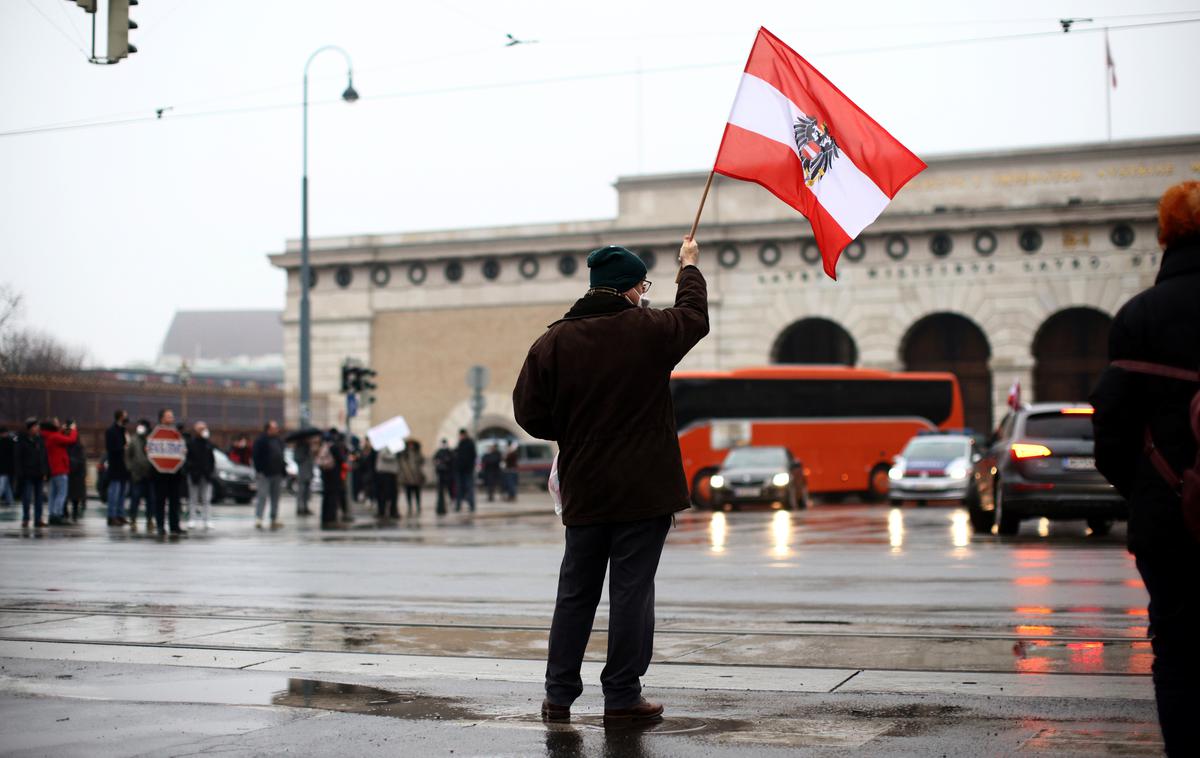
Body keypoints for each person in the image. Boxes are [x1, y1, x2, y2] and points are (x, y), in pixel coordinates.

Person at [514, 238, 707, 725]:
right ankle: (621, 696)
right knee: (630, 592)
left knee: (575, 592)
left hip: (586, 488)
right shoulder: (648, 330)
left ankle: (558, 695)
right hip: (644, 490)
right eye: (643, 286)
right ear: (628, 291)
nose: (645, 294)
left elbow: (528, 412)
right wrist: (688, 267)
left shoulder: (553, 341)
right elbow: (694, 316)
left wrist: (575, 433)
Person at [1091, 181, 1200, 757]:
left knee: (1180, 654)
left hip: (1173, 521)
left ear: (1165, 235)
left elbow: (1110, 431)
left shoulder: (1142, 315)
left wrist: (1147, 490)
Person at [151, 409, 187, 536]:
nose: (172, 419)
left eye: (172, 416)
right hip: (159, 473)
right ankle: (160, 526)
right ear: (162, 419)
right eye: (169, 417)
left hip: (174, 473)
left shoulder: (176, 433)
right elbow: (151, 451)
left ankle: (174, 526)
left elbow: (182, 448)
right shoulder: (155, 433)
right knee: (160, 501)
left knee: (174, 501)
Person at [41, 418, 79, 526]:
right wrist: (73, 430)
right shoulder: (54, 437)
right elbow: (71, 440)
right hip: (60, 468)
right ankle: (57, 514)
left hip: (53, 469)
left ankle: (52, 514)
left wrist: (63, 430)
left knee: (53, 493)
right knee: (61, 493)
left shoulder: (49, 436)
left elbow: (60, 436)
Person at [14, 418, 48, 528]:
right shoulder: (22, 440)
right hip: (27, 474)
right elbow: (18, 458)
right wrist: (20, 473)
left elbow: (43, 457)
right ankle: (26, 518)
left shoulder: (40, 440)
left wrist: (45, 471)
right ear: (29, 428)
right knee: (27, 498)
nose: (37, 428)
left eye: (38, 426)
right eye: (35, 426)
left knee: (39, 498)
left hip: (39, 473)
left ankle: (38, 519)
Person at [252, 420, 285, 529]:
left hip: (277, 473)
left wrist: (283, 469)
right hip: (265, 474)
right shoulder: (261, 441)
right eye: (274, 428)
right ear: (268, 429)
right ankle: (259, 518)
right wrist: (260, 470)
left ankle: (274, 518)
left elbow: (281, 456)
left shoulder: (278, 441)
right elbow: (256, 457)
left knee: (275, 497)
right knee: (262, 496)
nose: (277, 430)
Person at [125, 419, 155, 532]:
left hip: (150, 475)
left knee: (151, 500)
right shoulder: (134, 440)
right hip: (137, 475)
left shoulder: (152, 440)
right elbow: (128, 455)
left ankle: (150, 520)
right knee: (135, 498)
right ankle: (133, 520)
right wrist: (131, 468)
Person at [186, 421, 216, 530]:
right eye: (201, 428)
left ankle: (207, 520)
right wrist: (192, 470)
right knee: (193, 498)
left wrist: (210, 471)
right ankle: (192, 519)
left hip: (206, 475)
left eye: (204, 428)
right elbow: (188, 459)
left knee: (206, 499)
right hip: (194, 474)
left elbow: (212, 460)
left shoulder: (208, 443)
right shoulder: (191, 443)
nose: (203, 430)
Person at [105, 410, 130, 527]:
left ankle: (120, 514)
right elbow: (111, 448)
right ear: (120, 417)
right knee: (114, 492)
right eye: (125, 416)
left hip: (124, 466)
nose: (127, 418)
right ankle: (112, 516)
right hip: (115, 465)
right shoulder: (111, 431)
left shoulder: (123, 430)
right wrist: (123, 448)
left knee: (122, 493)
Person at [318, 429, 347, 529]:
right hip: (334, 475)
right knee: (333, 497)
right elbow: (341, 459)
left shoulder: (325, 445)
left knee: (326, 496)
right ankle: (331, 518)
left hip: (326, 474)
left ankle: (325, 517)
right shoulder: (334, 446)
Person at [398, 439, 425, 517]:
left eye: (412, 445)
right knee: (408, 493)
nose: (411, 446)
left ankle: (418, 505)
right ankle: (410, 506)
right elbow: (402, 464)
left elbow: (421, 461)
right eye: (409, 445)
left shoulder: (417, 453)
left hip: (416, 476)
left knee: (417, 493)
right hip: (407, 477)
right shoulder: (404, 454)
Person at [66, 421, 87, 522]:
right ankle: (73, 513)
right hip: (76, 473)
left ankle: (67, 513)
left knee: (69, 495)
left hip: (71, 472)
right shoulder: (79, 446)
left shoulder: (67, 444)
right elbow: (82, 459)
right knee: (75, 497)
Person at [453, 429, 477, 513]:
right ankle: (458, 505)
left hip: (467, 471)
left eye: (461, 435)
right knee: (459, 489)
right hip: (460, 470)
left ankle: (471, 505)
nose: (460, 437)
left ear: (464, 435)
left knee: (469, 488)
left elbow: (473, 457)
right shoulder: (460, 444)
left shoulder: (469, 444)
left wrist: (470, 467)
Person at [374, 445, 399, 521]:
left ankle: (392, 511)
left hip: (392, 472)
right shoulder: (384, 446)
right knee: (384, 493)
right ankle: (383, 511)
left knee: (393, 494)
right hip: (385, 472)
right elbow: (384, 455)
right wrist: (395, 454)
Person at [294, 436, 316, 516]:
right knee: (301, 491)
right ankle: (300, 508)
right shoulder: (300, 448)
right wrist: (305, 453)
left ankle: (305, 507)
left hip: (308, 472)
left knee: (307, 492)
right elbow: (297, 458)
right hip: (303, 473)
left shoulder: (308, 448)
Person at [433, 439, 454, 515]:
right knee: (441, 491)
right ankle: (441, 507)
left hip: (448, 474)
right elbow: (435, 459)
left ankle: (450, 501)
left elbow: (452, 461)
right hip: (441, 474)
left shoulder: (449, 452)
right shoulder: (439, 452)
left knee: (449, 489)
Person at [0, 426, 16, 506]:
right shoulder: (10, 442)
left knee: (3, 485)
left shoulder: (6, 442)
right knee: (6, 485)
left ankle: (10, 500)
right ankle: (10, 500)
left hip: (4, 468)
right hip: (7, 468)